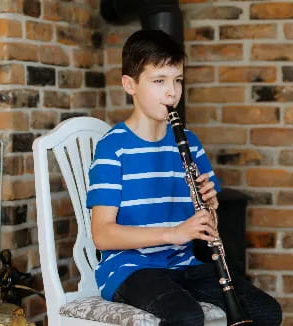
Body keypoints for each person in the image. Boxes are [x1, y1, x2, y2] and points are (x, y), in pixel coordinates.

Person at [86, 29, 282, 326]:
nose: (171, 92)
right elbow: (102, 235)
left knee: (267, 311)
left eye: (177, 80)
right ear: (130, 85)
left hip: (183, 265)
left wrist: (210, 209)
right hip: (131, 269)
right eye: (159, 81)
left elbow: (205, 225)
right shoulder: (113, 148)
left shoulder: (189, 143)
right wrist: (172, 233)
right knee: (186, 316)